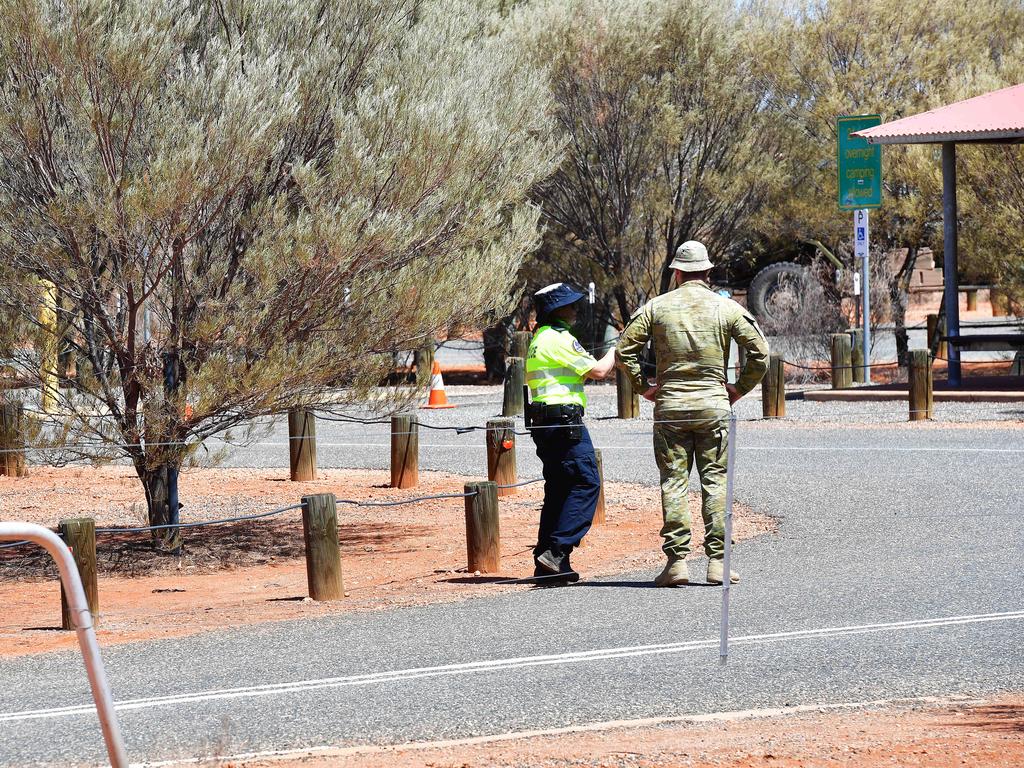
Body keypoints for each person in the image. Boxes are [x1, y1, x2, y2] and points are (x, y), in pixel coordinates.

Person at [616, 241, 768, 587]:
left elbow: (625, 350)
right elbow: (760, 352)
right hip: (714, 406)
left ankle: (676, 563)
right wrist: (738, 389)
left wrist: (644, 387)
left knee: (674, 483)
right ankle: (718, 563)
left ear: (678, 273)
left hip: (670, 407)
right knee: (715, 482)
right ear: (708, 272)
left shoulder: (656, 307)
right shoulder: (725, 308)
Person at [526, 283, 616, 583]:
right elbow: (600, 371)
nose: (575, 309)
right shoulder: (559, 338)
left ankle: (548, 563)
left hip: (545, 422)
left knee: (559, 489)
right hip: (564, 421)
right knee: (586, 482)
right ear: (556, 310)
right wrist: (619, 348)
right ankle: (556, 550)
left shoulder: (540, 338)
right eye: (570, 305)